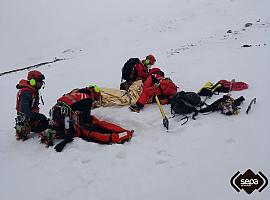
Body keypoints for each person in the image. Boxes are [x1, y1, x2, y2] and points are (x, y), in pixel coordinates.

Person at [42, 84, 133, 152]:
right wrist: (89, 123)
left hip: (55, 111)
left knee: (66, 126)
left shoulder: (77, 93)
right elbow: (86, 117)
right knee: (73, 133)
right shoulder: (87, 98)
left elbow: (73, 105)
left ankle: (53, 130)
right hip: (64, 113)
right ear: (93, 94)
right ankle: (53, 133)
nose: (94, 101)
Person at [15, 70, 50, 140]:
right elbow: (24, 110)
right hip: (27, 121)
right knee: (48, 125)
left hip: (31, 119)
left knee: (47, 122)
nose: (41, 84)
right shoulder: (27, 93)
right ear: (32, 82)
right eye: (40, 82)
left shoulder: (32, 91)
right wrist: (37, 116)